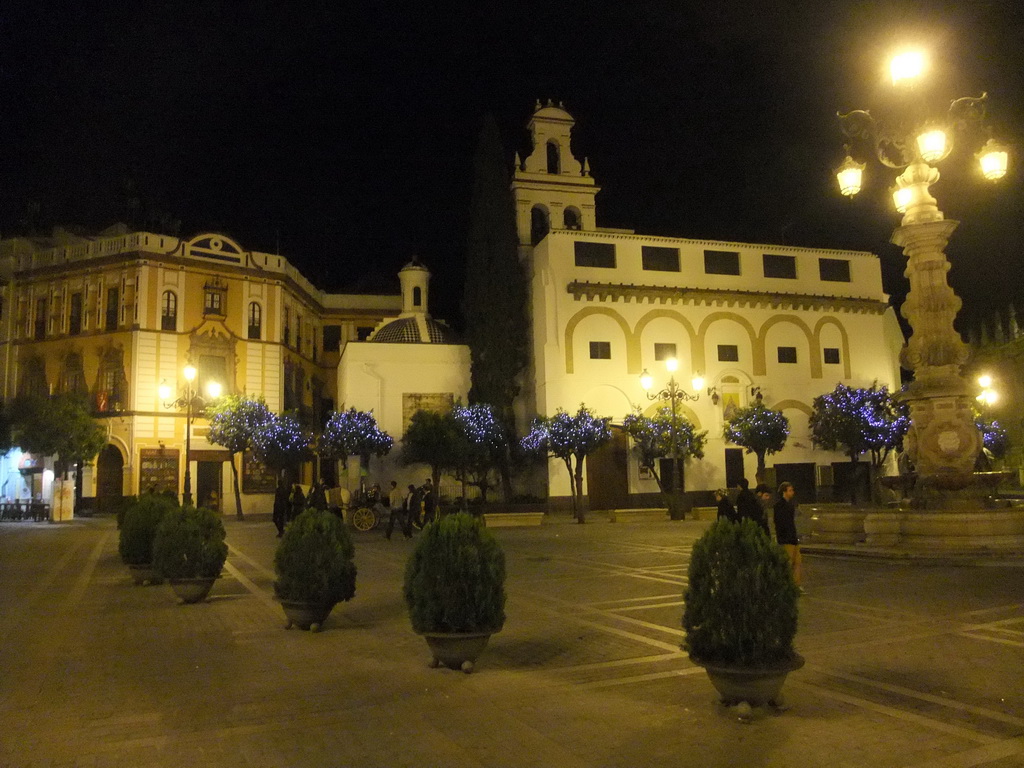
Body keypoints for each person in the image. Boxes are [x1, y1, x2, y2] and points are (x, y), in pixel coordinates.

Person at [773, 481, 803, 590]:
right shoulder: (779, 506)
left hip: (792, 537)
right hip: (786, 538)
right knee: (787, 563)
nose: (792, 492)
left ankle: (796, 584)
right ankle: (786, 584)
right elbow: (780, 523)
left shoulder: (790, 505)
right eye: (790, 490)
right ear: (784, 492)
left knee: (797, 562)